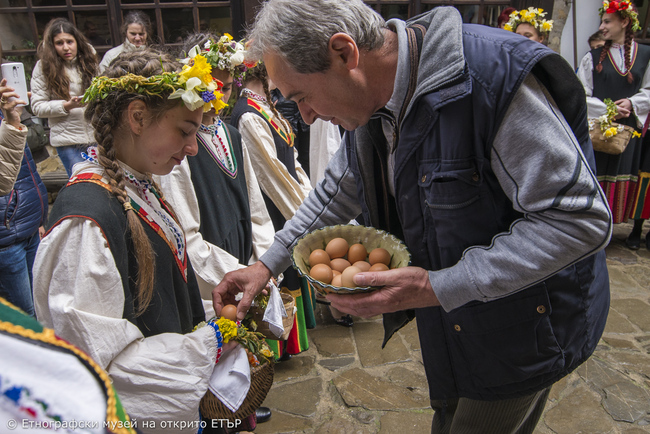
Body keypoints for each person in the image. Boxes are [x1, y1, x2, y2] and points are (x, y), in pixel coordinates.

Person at [213, 1, 612, 433]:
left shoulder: (490, 83)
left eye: (302, 97)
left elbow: (578, 220)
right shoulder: (373, 99)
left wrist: (435, 285)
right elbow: (339, 188)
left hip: (522, 334)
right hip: (458, 324)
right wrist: (267, 265)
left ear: (345, 53)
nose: (305, 116)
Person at [33, 48, 245, 433]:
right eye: (184, 131)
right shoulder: (88, 220)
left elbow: (150, 302)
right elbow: (100, 363)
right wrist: (205, 345)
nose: (194, 148)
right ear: (136, 116)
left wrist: (210, 316)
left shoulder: (138, 187)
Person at [155, 33, 274, 427]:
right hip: (213, 261)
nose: (221, 90)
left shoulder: (232, 134)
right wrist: (231, 268)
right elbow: (189, 235)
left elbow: (255, 203)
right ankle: (222, 411)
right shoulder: (184, 149)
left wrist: (261, 258)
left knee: (244, 339)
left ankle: (242, 402)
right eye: (213, 81)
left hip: (241, 251)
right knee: (221, 341)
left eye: (229, 80)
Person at [230, 63, 316, 356]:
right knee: (281, 265)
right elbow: (271, 173)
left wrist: (308, 198)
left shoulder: (267, 108)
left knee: (292, 265)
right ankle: (276, 346)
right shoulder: (248, 115)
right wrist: (301, 212)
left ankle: (294, 338)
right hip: (274, 206)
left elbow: (291, 159)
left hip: (289, 200)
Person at [577, 1, 650, 249]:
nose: (602, 27)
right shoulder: (592, 57)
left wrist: (631, 102)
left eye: (607, 21)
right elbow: (581, 95)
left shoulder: (646, 56)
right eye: (602, 22)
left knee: (619, 175)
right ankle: (590, 229)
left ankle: (607, 228)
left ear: (625, 22)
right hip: (598, 129)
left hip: (628, 133)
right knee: (594, 176)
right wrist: (608, 109)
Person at [0, 78, 48, 318]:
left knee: (41, 304)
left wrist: (39, 219)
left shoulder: (5, 109)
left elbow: (24, 172)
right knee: (25, 316)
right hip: (6, 236)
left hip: (27, 222)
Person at [30, 18, 97, 177]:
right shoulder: (43, 67)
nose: (66, 47)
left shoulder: (88, 61)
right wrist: (66, 106)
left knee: (104, 186)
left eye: (69, 41)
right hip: (68, 141)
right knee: (82, 185)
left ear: (77, 42)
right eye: (59, 43)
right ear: (52, 46)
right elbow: (37, 106)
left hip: (96, 136)